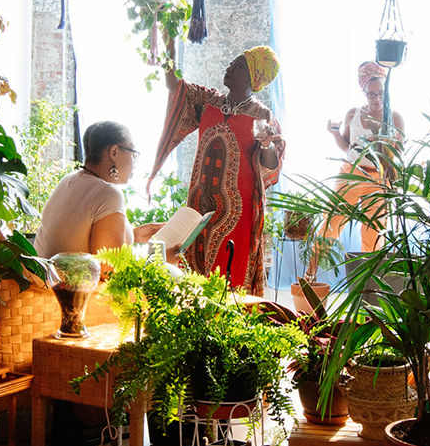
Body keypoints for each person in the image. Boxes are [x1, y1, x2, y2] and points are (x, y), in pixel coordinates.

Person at [150, 47, 287, 290]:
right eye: (231, 64)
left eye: (238, 66)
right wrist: (168, 39)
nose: (229, 68)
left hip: (237, 215)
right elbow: (174, 84)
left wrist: (266, 143)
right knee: (192, 275)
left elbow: (272, 165)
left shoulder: (262, 115)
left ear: (252, 78)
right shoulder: (208, 102)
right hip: (198, 207)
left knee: (230, 277)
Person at [309, 61, 405, 275]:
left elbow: (399, 154)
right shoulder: (353, 113)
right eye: (371, 94)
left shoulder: (395, 118)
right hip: (351, 173)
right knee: (331, 223)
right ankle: (311, 274)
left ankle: (368, 284)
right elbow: (346, 145)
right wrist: (335, 134)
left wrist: (380, 138)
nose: (376, 98)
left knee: (373, 233)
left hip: (379, 179)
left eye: (380, 93)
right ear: (363, 92)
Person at [35, 121, 147, 259]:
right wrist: (158, 259)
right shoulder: (108, 193)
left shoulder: (68, 181)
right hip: (71, 280)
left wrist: (134, 235)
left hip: (42, 279)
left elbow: (77, 236)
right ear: (114, 152)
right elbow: (109, 271)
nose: (135, 163)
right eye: (133, 154)